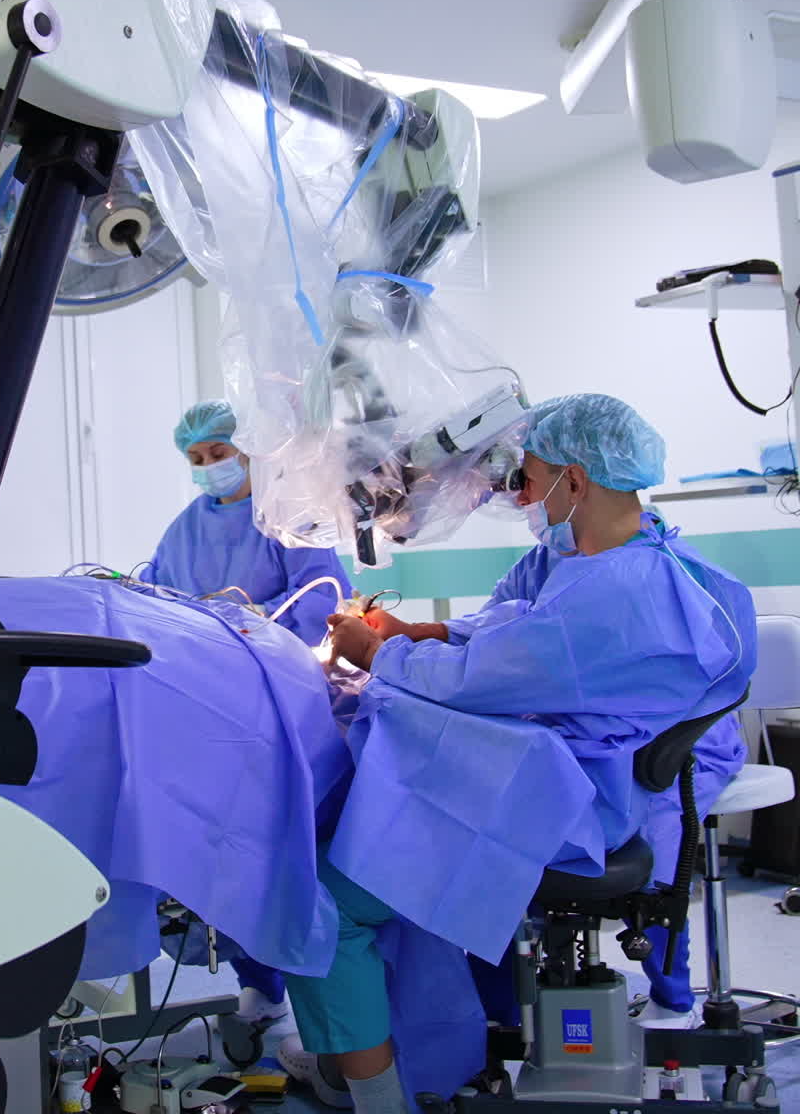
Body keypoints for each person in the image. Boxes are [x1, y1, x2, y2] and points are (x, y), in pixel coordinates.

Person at [276, 394, 755, 1113]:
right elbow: (506, 634)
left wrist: (372, 650)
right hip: (568, 783)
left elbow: (487, 676)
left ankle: (372, 1094)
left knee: (321, 902)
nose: (522, 494)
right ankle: (384, 1050)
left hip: (559, 810)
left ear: (577, 478)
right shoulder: (631, 561)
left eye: (529, 479)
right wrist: (414, 634)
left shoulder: (614, 596)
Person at [141, 398, 352, 1026]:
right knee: (219, 842)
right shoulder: (182, 530)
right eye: (198, 458)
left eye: (220, 454)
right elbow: (153, 597)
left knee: (289, 839)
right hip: (209, 707)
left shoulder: (291, 516)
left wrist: (254, 618)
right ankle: (257, 979)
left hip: (285, 701)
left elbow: (324, 597)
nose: (210, 467)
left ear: (251, 452)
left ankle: (308, 974)